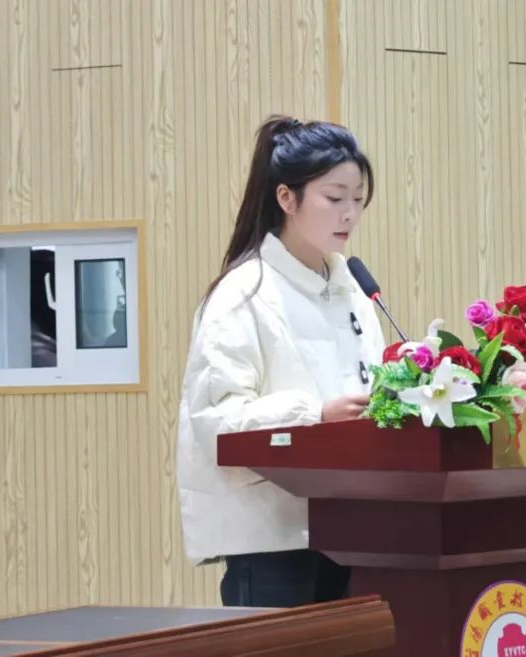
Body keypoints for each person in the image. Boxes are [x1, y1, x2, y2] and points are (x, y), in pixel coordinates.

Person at [176, 115, 387, 608]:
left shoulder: (354, 290)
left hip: (356, 531)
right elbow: (217, 422)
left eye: (358, 200)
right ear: (287, 199)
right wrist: (315, 416)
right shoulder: (242, 294)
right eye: (334, 198)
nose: (349, 214)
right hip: (273, 541)